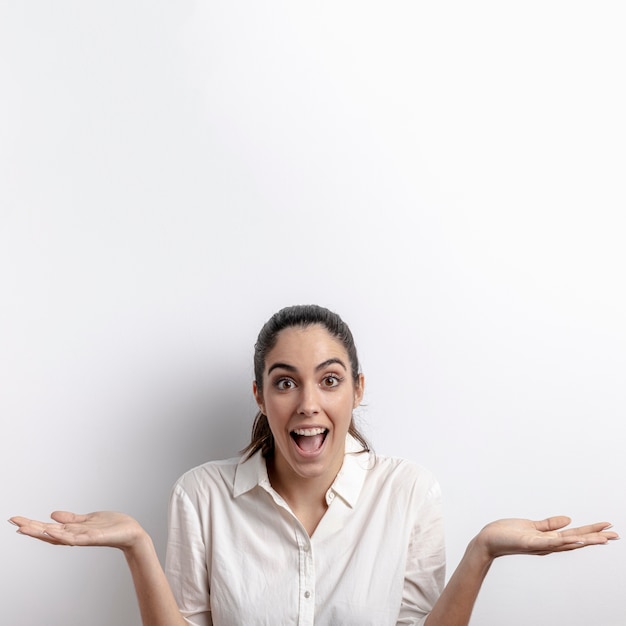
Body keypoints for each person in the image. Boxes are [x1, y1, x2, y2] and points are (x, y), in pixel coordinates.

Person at [10, 304, 619, 626]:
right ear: (259, 395)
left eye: (329, 381)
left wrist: (481, 552)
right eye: (285, 382)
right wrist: (137, 548)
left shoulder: (407, 490)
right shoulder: (201, 494)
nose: (308, 404)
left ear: (355, 390)